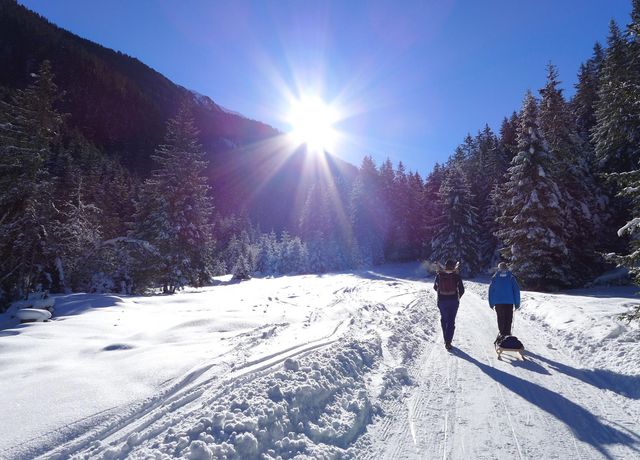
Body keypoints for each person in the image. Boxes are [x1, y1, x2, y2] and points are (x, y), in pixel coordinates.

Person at [433, 259, 465, 350]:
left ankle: (445, 339)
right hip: (453, 301)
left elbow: (435, 287)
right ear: (453, 266)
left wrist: (441, 294)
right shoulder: (456, 275)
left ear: (445, 266)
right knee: (451, 321)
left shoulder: (439, 274)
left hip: (442, 301)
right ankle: (448, 341)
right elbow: (462, 289)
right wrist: (457, 297)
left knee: (444, 319)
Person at [488, 262, 521, 343]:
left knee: (501, 318)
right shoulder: (511, 277)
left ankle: (502, 334)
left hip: (498, 302)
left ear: (499, 268)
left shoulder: (495, 277)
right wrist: (517, 303)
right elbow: (516, 291)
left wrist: (491, 303)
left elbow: (491, 291)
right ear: (506, 268)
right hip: (509, 302)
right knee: (508, 318)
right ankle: (507, 334)